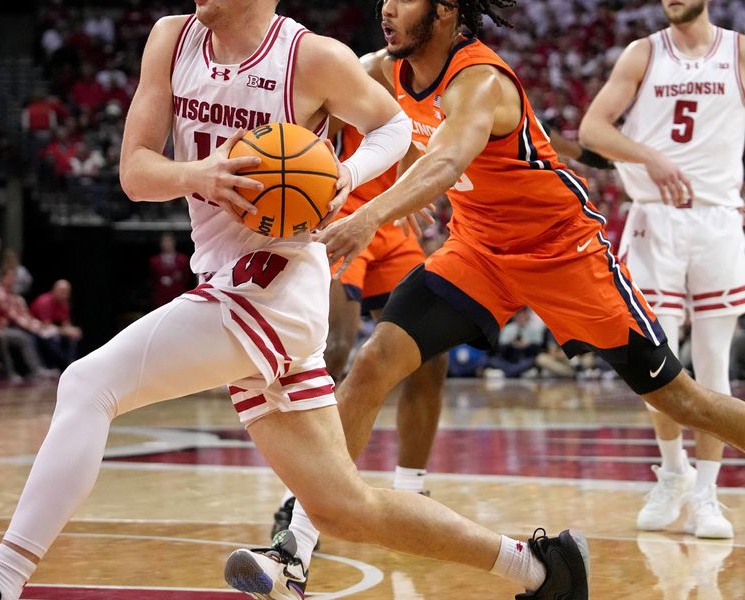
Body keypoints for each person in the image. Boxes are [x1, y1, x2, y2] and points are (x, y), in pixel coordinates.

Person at [0, 3, 590, 600]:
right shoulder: (171, 41)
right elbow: (134, 172)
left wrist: (342, 180)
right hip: (226, 275)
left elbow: (392, 126)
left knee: (89, 384)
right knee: (343, 507)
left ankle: (0, 579)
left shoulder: (311, 57)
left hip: (278, 282)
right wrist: (194, 175)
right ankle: (541, 568)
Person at [296, 0, 745, 591]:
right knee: (375, 363)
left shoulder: (481, 80)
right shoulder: (386, 67)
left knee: (682, 400)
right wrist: (356, 145)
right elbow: (343, 88)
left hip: (563, 253)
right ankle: (299, 535)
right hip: (480, 251)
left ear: (447, 10)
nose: (387, 7)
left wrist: (371, 214)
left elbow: (452, 155)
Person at [578, 0, 744, 539]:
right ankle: (673, 472)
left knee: (716, 366)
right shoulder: (643, 53)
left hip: (718, 218)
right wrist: (650, 157)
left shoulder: (738, 52)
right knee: (658, 362)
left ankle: (707, 495)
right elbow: (592, 131)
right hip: (654, 221)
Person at [271, 120, 448, 538]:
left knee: (431, 352)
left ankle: (411, 491)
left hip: (390, 220)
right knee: (332, 350)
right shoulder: (366, 72)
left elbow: (421, 142)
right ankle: (295, 497)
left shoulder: (435, 86)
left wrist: (410, 176)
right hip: (343, 216)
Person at [148, 232, 192, 308]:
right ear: (160, 243)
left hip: (177, 297)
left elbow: (187, 278)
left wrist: (178, 277)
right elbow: (152, 280)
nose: (167, 243)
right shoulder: (154, 261)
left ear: (174, 242)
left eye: (169, 241)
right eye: (164, 241)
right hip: (160, 298)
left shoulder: (183, 260)